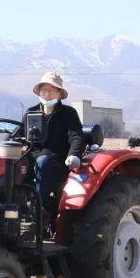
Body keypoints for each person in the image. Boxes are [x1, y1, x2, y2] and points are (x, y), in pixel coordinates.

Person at [22, 71, 86, 230]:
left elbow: (76, 136)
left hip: (57, 161)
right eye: (43, 90)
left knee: (43, 162)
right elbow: (20, 135)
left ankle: (37, 210)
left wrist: (74, 155)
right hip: (33, 158)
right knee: (14, 163)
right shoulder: (31, 112)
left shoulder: (68, 114)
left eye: (51, 90)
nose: (46, 93)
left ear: (59, 93)